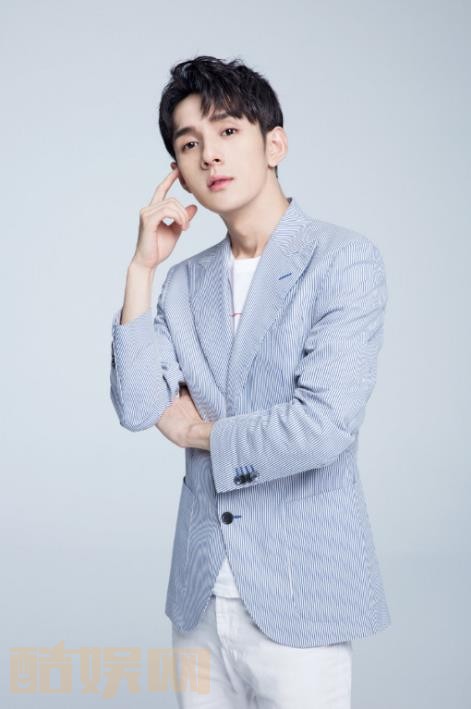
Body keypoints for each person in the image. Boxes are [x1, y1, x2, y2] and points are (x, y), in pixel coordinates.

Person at [110, 54, 391, 708]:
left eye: (228, 130)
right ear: (178, 170)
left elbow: (321, 427)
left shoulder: (342, 261)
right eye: (189, 144)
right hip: (200, 596)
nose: (209, 154)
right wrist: (141, 271)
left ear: (274, 144)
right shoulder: (183, 283)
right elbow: (138, 404)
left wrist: (200, 434)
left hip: (301, 592)